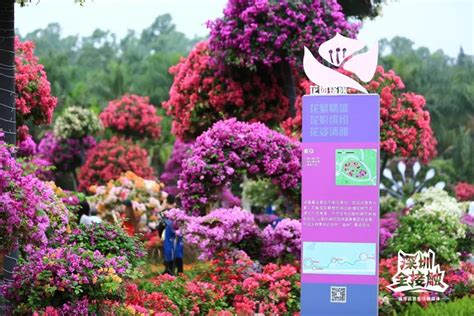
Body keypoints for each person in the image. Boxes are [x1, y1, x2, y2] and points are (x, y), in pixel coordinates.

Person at [157, 195, 184, 275]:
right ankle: (180, 272)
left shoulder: (165, 213)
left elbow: (161, 226)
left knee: (169, 252)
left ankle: (169, 271)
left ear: (166, 201)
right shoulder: (179, 212)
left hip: (169, 237)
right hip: (178, 236)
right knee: (178, 252)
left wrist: (160, 235)